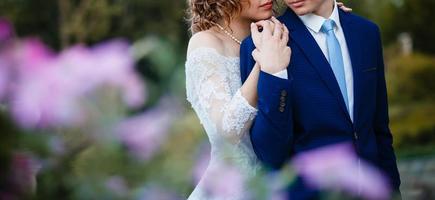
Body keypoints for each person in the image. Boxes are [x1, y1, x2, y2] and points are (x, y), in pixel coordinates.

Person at [185, 0, 350, 199]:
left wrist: (326, 13)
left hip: (284, 183)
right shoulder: (206, 42)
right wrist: (264, 62)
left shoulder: (277, 30)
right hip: (232, 188)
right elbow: (226, 131)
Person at [239, 0, 401, 199]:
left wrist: (392, 190)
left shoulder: (367, 33)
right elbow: (270, 155)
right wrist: (276, 75)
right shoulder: (263, 43)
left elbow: (379, 129)